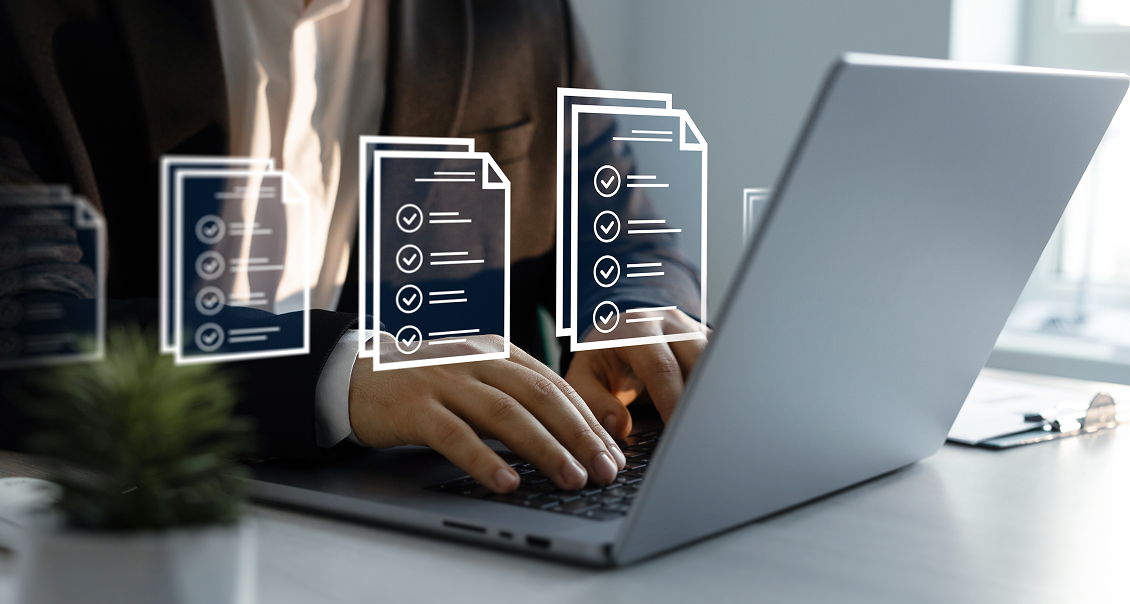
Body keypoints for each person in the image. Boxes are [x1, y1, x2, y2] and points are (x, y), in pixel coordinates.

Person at [0, 0, 706, 494]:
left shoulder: (514, 13)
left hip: (451, 523)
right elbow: (25, 330)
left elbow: (629, 233)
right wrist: (338, 371)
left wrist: (637, 313)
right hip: (127, 525)